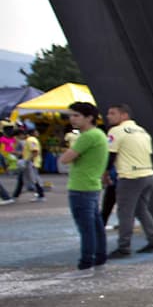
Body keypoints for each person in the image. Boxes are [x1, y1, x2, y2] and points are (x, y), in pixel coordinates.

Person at [105, 104, 153, 258]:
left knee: (125, 213)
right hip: (148, 175)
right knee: (142, 210)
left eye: (112, 113)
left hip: (130, 177)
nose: (108, 116)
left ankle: (124, 247)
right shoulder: (143, 131)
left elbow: (110, 156)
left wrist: (104, 174)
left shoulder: (116, 131)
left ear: (124, 115)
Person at [59, 102, 110, 274]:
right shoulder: (99, 135)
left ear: (89, 118)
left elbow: (65, 159)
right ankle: (100, 256)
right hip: (92, 185)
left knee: (86, 227)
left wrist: (71, 153)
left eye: (76, 115)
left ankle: (86, 260)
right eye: (71, 115)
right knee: (95, 225)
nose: (72, 119)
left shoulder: (88, 136)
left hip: (81, 186)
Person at [14, 125, 45, 201]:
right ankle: (16, 195)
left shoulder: (30, 140)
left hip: (31, 163)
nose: (18, 139)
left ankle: (41, 195)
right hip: (29, 162)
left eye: (18, 136)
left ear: (21, 135)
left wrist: (27, 160)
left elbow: (35, 151)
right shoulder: (30, 140)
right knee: (23, 179)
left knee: (34, 179)